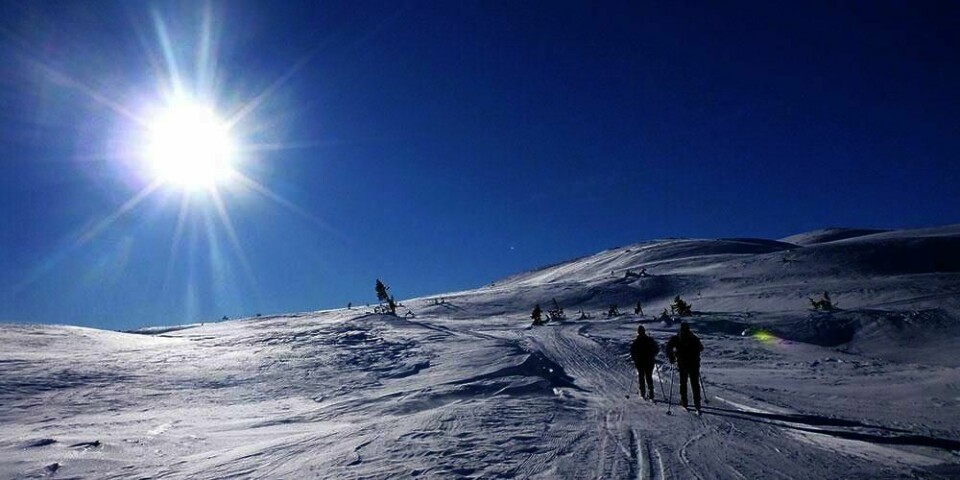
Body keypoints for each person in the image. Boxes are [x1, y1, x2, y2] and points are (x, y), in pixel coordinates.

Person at [666, 322, 704, 410]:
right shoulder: (694, 337)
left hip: (682, 363)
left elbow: (668, 347)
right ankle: (697, 403)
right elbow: (701, 348)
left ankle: (684, 401)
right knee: (695, 383)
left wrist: (671, 356)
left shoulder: (677, 338)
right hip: (694, 363)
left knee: (683, 382)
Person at [630, 325, 659, 400]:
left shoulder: (636, 341)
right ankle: (651, 393)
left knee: (641, 376)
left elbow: (632, 351)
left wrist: (634, 359)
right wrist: (653, 354)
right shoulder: (650, 340)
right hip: (650, 361)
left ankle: (642, 393)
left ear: (638, 332)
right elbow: (657, 349)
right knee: (648, 376)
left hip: (640, 362)